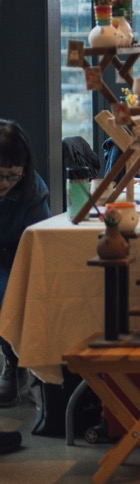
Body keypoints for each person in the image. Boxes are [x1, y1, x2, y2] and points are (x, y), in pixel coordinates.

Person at [0, 120, 51, 406]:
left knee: (10, 293)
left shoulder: (32, 190)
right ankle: (14, 361)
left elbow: (40, 244)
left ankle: (19, 362)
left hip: (22, 255)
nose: (5, 184)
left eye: (12, 177)